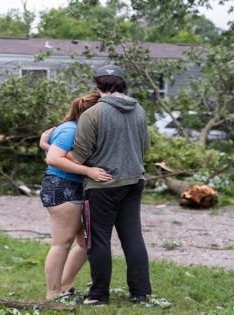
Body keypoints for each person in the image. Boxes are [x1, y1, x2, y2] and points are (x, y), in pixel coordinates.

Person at [68, 64, 152, 305]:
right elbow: (144, 149)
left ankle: (98, 296)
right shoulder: (139, 110)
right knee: (132, 237)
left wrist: (50, 148)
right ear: (122, 84)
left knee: (98, 239)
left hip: (102, 185)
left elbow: (79, 156)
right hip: (134, 181)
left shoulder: (92, 114)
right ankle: (141, 294)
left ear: (97, 86)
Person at [39, 93, 112, 301]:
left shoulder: (81, 129)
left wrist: (45, 145)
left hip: (78, 187)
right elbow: (53, 159)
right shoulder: (71, 129)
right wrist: (89, 172)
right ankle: (53, 293)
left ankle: (65, 284)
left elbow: (54, 151)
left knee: (85, 243)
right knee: (62, 241)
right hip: (62, 187)